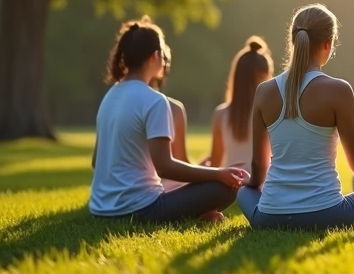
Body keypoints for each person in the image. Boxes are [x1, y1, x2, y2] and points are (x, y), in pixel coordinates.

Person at [237, 4, 354, 231]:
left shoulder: (263, 91)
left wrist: (251, 183)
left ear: (293, 41)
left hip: (268, 218)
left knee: (244, 191)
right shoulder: (339, 90)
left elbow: (259, 167)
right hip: (327, 216)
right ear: (328, 43)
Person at [89, 17, 247, 222]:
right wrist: (218, 173)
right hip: (142, 209)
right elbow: (165, 167)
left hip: (100, 210)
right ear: (155, 56)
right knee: (225, 188)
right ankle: (201, 212)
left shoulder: (110, 96)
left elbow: (96, 161)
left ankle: (201, 211)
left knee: (214, 185)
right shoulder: (155, 101)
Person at [204, 37, 273, 170]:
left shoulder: (220, 115)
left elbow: (215, 165)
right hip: (263, 182)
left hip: (231, 182)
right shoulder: (270, 113)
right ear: (262, 76)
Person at [149, 55, 191, 191]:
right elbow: (178, 162)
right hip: (158, 189)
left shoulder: (114, 100)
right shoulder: (172, 108)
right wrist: (214, 173)